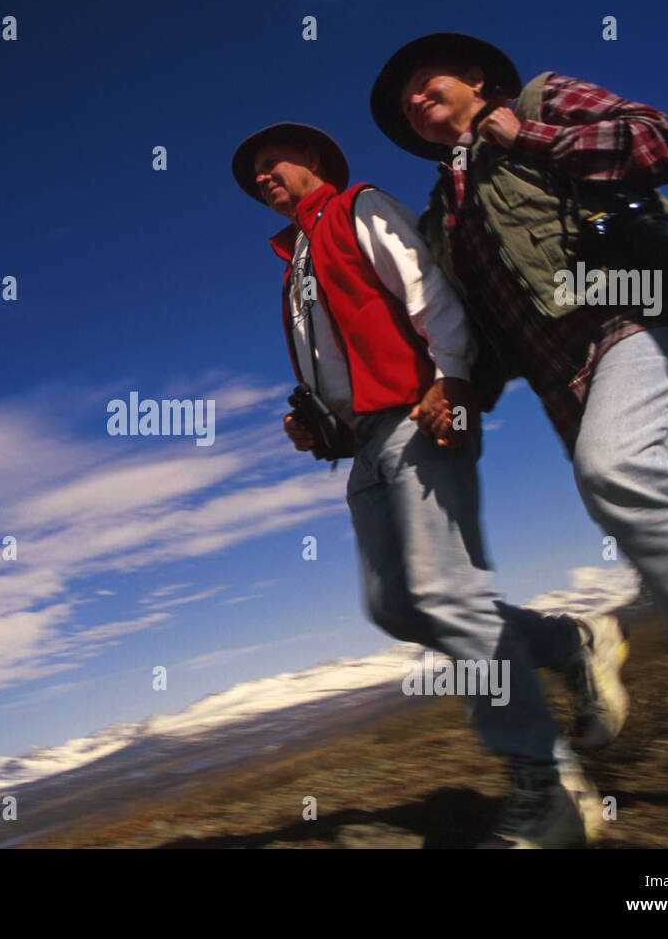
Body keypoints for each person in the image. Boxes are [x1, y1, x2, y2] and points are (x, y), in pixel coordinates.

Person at [370, 32, 668, 837]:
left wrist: (527, 136)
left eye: (423, 82)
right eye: (402, 104)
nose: (412, 100)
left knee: (621, 474)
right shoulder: (446, 216)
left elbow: (655, 141)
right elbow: (490, 335)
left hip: (648, 323)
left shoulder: (541, 101)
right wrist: (449, 394)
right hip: (577, 389)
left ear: (474, 78)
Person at [231, 121, 629, 847]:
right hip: (365, 444)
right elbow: (343, 358)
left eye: (270, 161)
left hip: (422, 411)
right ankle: (570, 641)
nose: (261, 176)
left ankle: (546, 783)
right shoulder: (296, 260)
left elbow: (425, 284)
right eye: (252, 172)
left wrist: (450, 374)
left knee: (448, 595)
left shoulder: (360, 206)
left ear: (313, 158)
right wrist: (325, 425)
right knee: (397, 606)